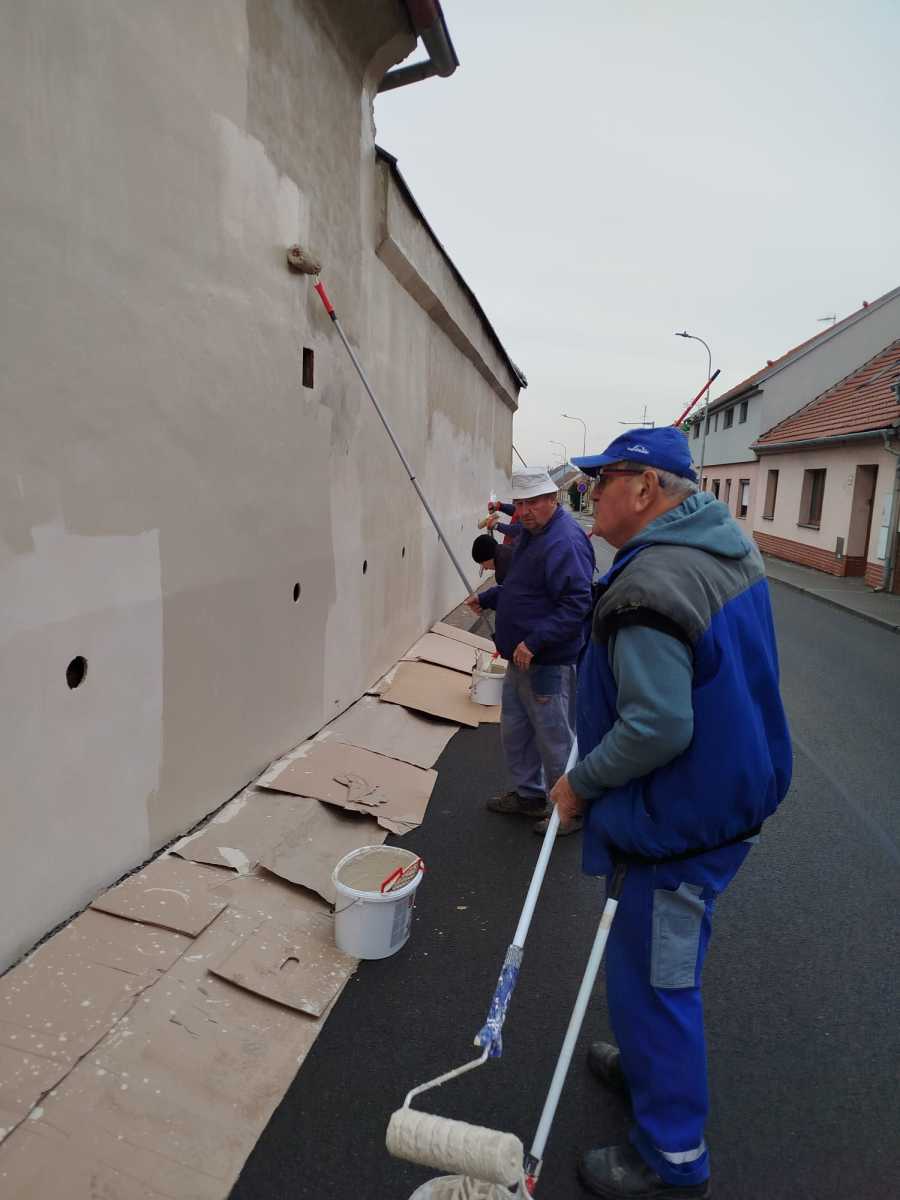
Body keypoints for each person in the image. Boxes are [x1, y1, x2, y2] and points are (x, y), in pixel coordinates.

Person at [547, 427, 791, 1197]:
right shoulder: (723, 547)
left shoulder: (650, 589)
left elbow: (656, 726)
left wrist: (580, 783)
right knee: (645, 967)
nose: (590, 494)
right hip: (719, 797)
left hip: (680, 822)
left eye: (602, 481)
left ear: (646, 489)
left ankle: (672, 1156)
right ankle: (648, 1067)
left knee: (659, 980)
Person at [467, 469, 595, 836]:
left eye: (533, 502)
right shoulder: (530, 534)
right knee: (516, 732)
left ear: (553, 499)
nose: (524, 511)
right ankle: (529, 796)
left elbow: (577, 603)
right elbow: (519, 587)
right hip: (520, 658)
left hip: (546, 661)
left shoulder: (564, 541)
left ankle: (569, 810)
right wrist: (489, 598)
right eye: (520, 503)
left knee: (555, 739)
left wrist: (535, 642)